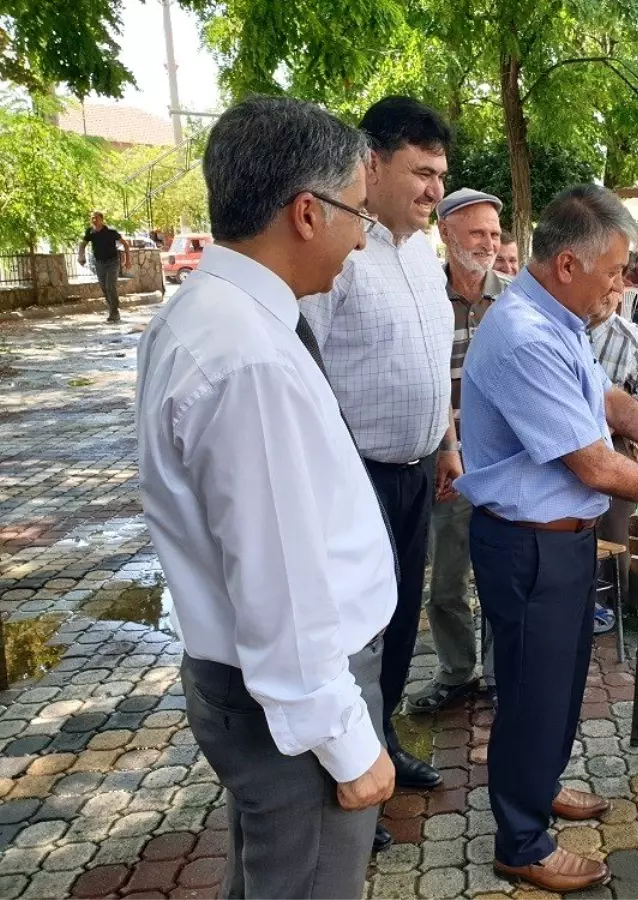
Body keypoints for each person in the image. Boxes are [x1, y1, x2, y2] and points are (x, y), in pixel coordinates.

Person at [136, 96, 395, 900]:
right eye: (359, 212)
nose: (364, 236)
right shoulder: (250, 359)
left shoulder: (203, 319)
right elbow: (281, 584)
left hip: (252, 689)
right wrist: (351, 747)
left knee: (265, 877)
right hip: (297, 708)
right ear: (307, 213)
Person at [456, 184, 638, 893]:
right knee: (529, 691)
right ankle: (520, 841)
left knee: (557, 682)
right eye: (614, 270)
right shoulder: (522, 333)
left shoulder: (560, 321)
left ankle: (538, 784)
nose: (623, 283)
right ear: (569, 265)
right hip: (528, 544)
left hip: (565, 541)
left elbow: (607, 401)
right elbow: (589, 459)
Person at [303, 96, 454, 848]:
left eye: (440, 175)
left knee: (398, 622)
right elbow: (306, 368)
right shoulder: (342, 253)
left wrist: (446, 443)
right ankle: (346, 777)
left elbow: (431, 362)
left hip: (416, 471)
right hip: (355, 477)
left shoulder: (422, 251)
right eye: (422, 173)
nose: (434, 190)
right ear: (374, 163)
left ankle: (384, 743)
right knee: (352, 630)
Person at [408, 189, 510, 714]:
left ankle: (498, 674)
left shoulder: (514, 299)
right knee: (447, 579)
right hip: (446, 461)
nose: (489, 243)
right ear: (446, 233)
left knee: (500, 574)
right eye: (477, 233)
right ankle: (455, 672)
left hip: (503, 466)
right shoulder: (423, 296)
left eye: (495, 233)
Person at [589, 286, 638, 630]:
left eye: (611, 290)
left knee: (615, 527)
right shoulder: (567, 326)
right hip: (571, 444)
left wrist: (617, 418)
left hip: (613, 442)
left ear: (619, 295)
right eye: (598, 286)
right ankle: (586, 599)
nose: (601, 295)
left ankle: (617, 605)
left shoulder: (630, 338)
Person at [78, 211, 131, 324]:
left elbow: (125, 244)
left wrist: (128, 260)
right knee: (104, 288)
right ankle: (112, 310)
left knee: (110, 286)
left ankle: (114, 313)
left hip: (113, 263)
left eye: (96, 218)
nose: (94, 220)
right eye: (92, 218)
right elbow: (83, 244)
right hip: (99, 264)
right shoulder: (90, 232)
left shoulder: (111, 232)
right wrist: (81, 257)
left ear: (101, 219)